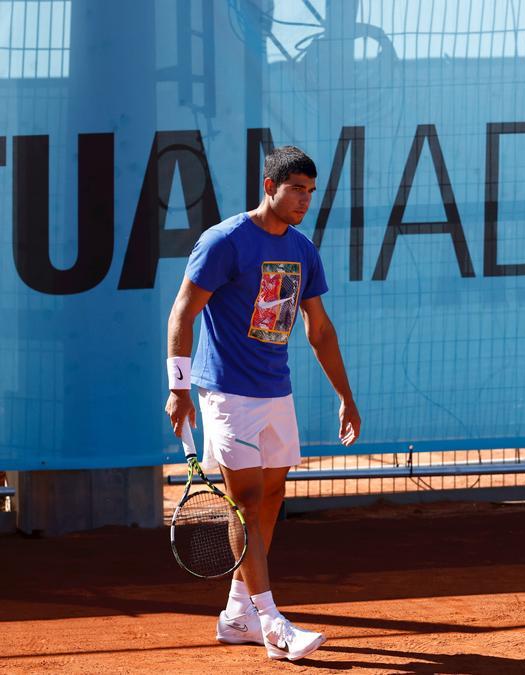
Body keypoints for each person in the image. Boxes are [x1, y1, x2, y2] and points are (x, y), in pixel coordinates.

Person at [164, 146, 361, 660]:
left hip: (277, 391)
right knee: (247, 502)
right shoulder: (224, 242)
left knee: (272, 497)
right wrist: (178, 387)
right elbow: (183, 312)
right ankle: (272, 622)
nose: (304, 200)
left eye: (311, 192)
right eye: (295, 189)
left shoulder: (303, 250)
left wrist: (345, 396)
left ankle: (236, 615)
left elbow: (319, 331)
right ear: (268, 188)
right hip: (226, 392)